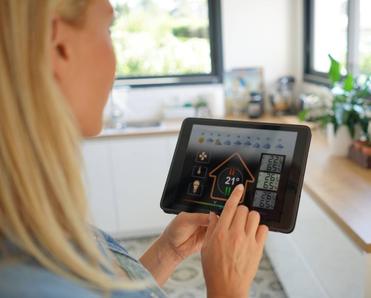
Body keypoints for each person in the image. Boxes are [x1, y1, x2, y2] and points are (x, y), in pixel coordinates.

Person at [0, 1, 269, 297]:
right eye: (108, 28)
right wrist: (228, 287)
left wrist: (167, 252)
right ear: (59, 46)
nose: (115, 67)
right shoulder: (26, 280)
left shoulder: (27, 223)